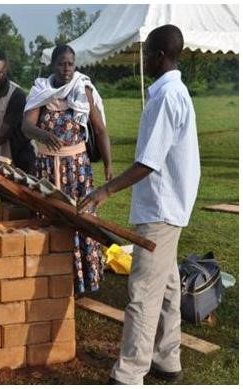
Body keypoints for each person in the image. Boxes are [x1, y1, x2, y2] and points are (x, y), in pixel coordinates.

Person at [78, 25, 200, 384]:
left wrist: (105, 191)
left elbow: (149, 162)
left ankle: (129, 374)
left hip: (161, 208)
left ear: (160, 55)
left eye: (148, 52)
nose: (144, 58)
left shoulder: (165, 97)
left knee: (143, 292)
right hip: (170, 205)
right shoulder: (175, 91)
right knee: (167, 287)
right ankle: (167, 359)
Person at [22, 44, 113, 294]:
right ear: (53, 65)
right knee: (50, 219)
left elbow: (100, 130)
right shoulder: (41, 90)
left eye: (70, 64)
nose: (66, 69)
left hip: (77, 171)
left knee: (81, 220)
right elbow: (26, 127)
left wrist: (108, 165)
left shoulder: (83, 89)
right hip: (47, 171)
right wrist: (41, 133)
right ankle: (50, 279)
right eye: (61, 63)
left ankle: (82, 280)